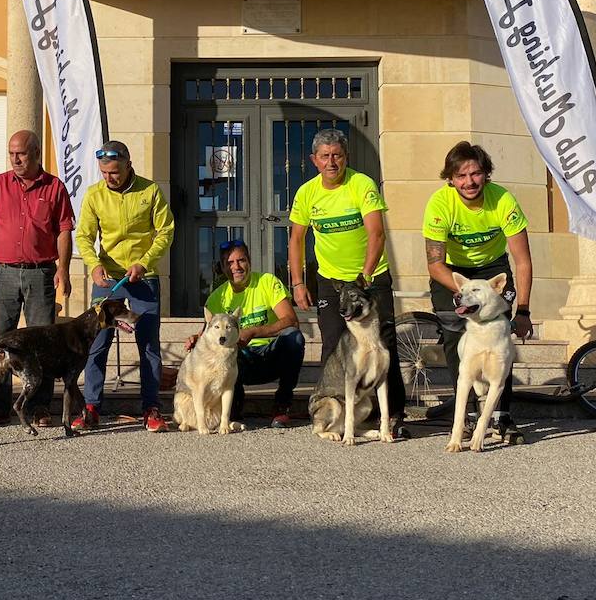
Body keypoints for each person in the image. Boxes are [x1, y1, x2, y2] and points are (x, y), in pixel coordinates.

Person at [287, 127, 406, 429]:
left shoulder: (361, 184)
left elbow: (376, 233)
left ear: (346, 157)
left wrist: (365, 276)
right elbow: (297, 240)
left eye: (337, 155)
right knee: (332, 346)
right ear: (314, 160)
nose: (331, 162)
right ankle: (336, 415)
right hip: (331, 281)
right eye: (325, 156)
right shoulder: (307, 193)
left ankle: (391, 415)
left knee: (384, 345)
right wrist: (298, 283)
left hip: (370, 277)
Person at [423, 140, 534, 437]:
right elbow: (435, 265)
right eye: (461, 176)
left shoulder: (503, 200)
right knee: (452, 332)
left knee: (501, 336)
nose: (469, 182)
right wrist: (463, 294)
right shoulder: (439, 204)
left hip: (491, 269)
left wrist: (522, 310)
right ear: (450, 179)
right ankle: (469, 411)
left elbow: (522, 262)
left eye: (475, 174)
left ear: (486, 174)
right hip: (453, 273)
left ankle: (501, 414)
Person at [73, 140, 175, 432]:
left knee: (148, 345)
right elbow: (84, 236)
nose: (109, 178)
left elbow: (165, 230)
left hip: (144, 276)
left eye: (115, 173)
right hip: (108, 280)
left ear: (129, 165)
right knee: (97, 344)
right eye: (104, 173)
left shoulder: (150, 190)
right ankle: (91, 407)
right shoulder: (94, 195)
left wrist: (144, 262)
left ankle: (151, 408)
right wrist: (93, 265)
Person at [0, 130, 75, 423]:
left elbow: (64, 230)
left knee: (42, 340)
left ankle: (39, 406)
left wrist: (63, 269)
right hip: (3, 273)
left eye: (21, 153)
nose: (15, 159)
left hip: (40, 273)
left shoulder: (55, 187)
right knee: (0, 341)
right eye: (11, 153)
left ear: (36, 154)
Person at [188, 240, 305, 428]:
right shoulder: (216, 298)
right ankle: (233, 405)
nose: (236, 267)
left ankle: (282, 405)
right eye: (229, 263)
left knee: (294, 337)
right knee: (218, 353)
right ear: (222, 267)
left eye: (241, 260)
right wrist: (196, 339)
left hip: (270, 354)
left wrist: (253, 331)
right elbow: (208, 337)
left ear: (249, 261)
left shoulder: (267, 282)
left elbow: (291, 320)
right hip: (239, 360)